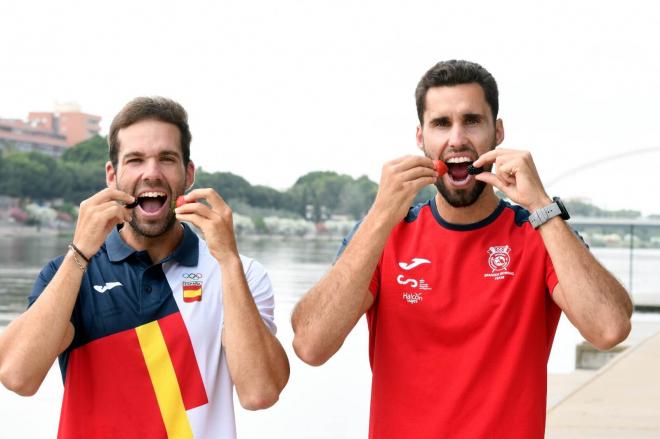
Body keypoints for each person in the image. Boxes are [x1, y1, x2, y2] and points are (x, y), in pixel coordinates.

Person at [291, 60, 632, 438]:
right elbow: (311, 346)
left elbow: (609, 329)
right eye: (441, 124)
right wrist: (380, 214)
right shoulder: (384, 234)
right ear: (420, 138)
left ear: (497, 132)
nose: (456, 139)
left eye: (472, 120)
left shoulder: (539, 231)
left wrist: (541, 204)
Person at [0, 97, 289, 438]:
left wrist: (228, 259)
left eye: (167, 159)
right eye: (135, 160)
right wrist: (79, 253)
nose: (151, 173)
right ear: (113, 175)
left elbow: (260, 393)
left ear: (188, 174)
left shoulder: (238, 274)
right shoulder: (69, 274)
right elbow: (18, 377)